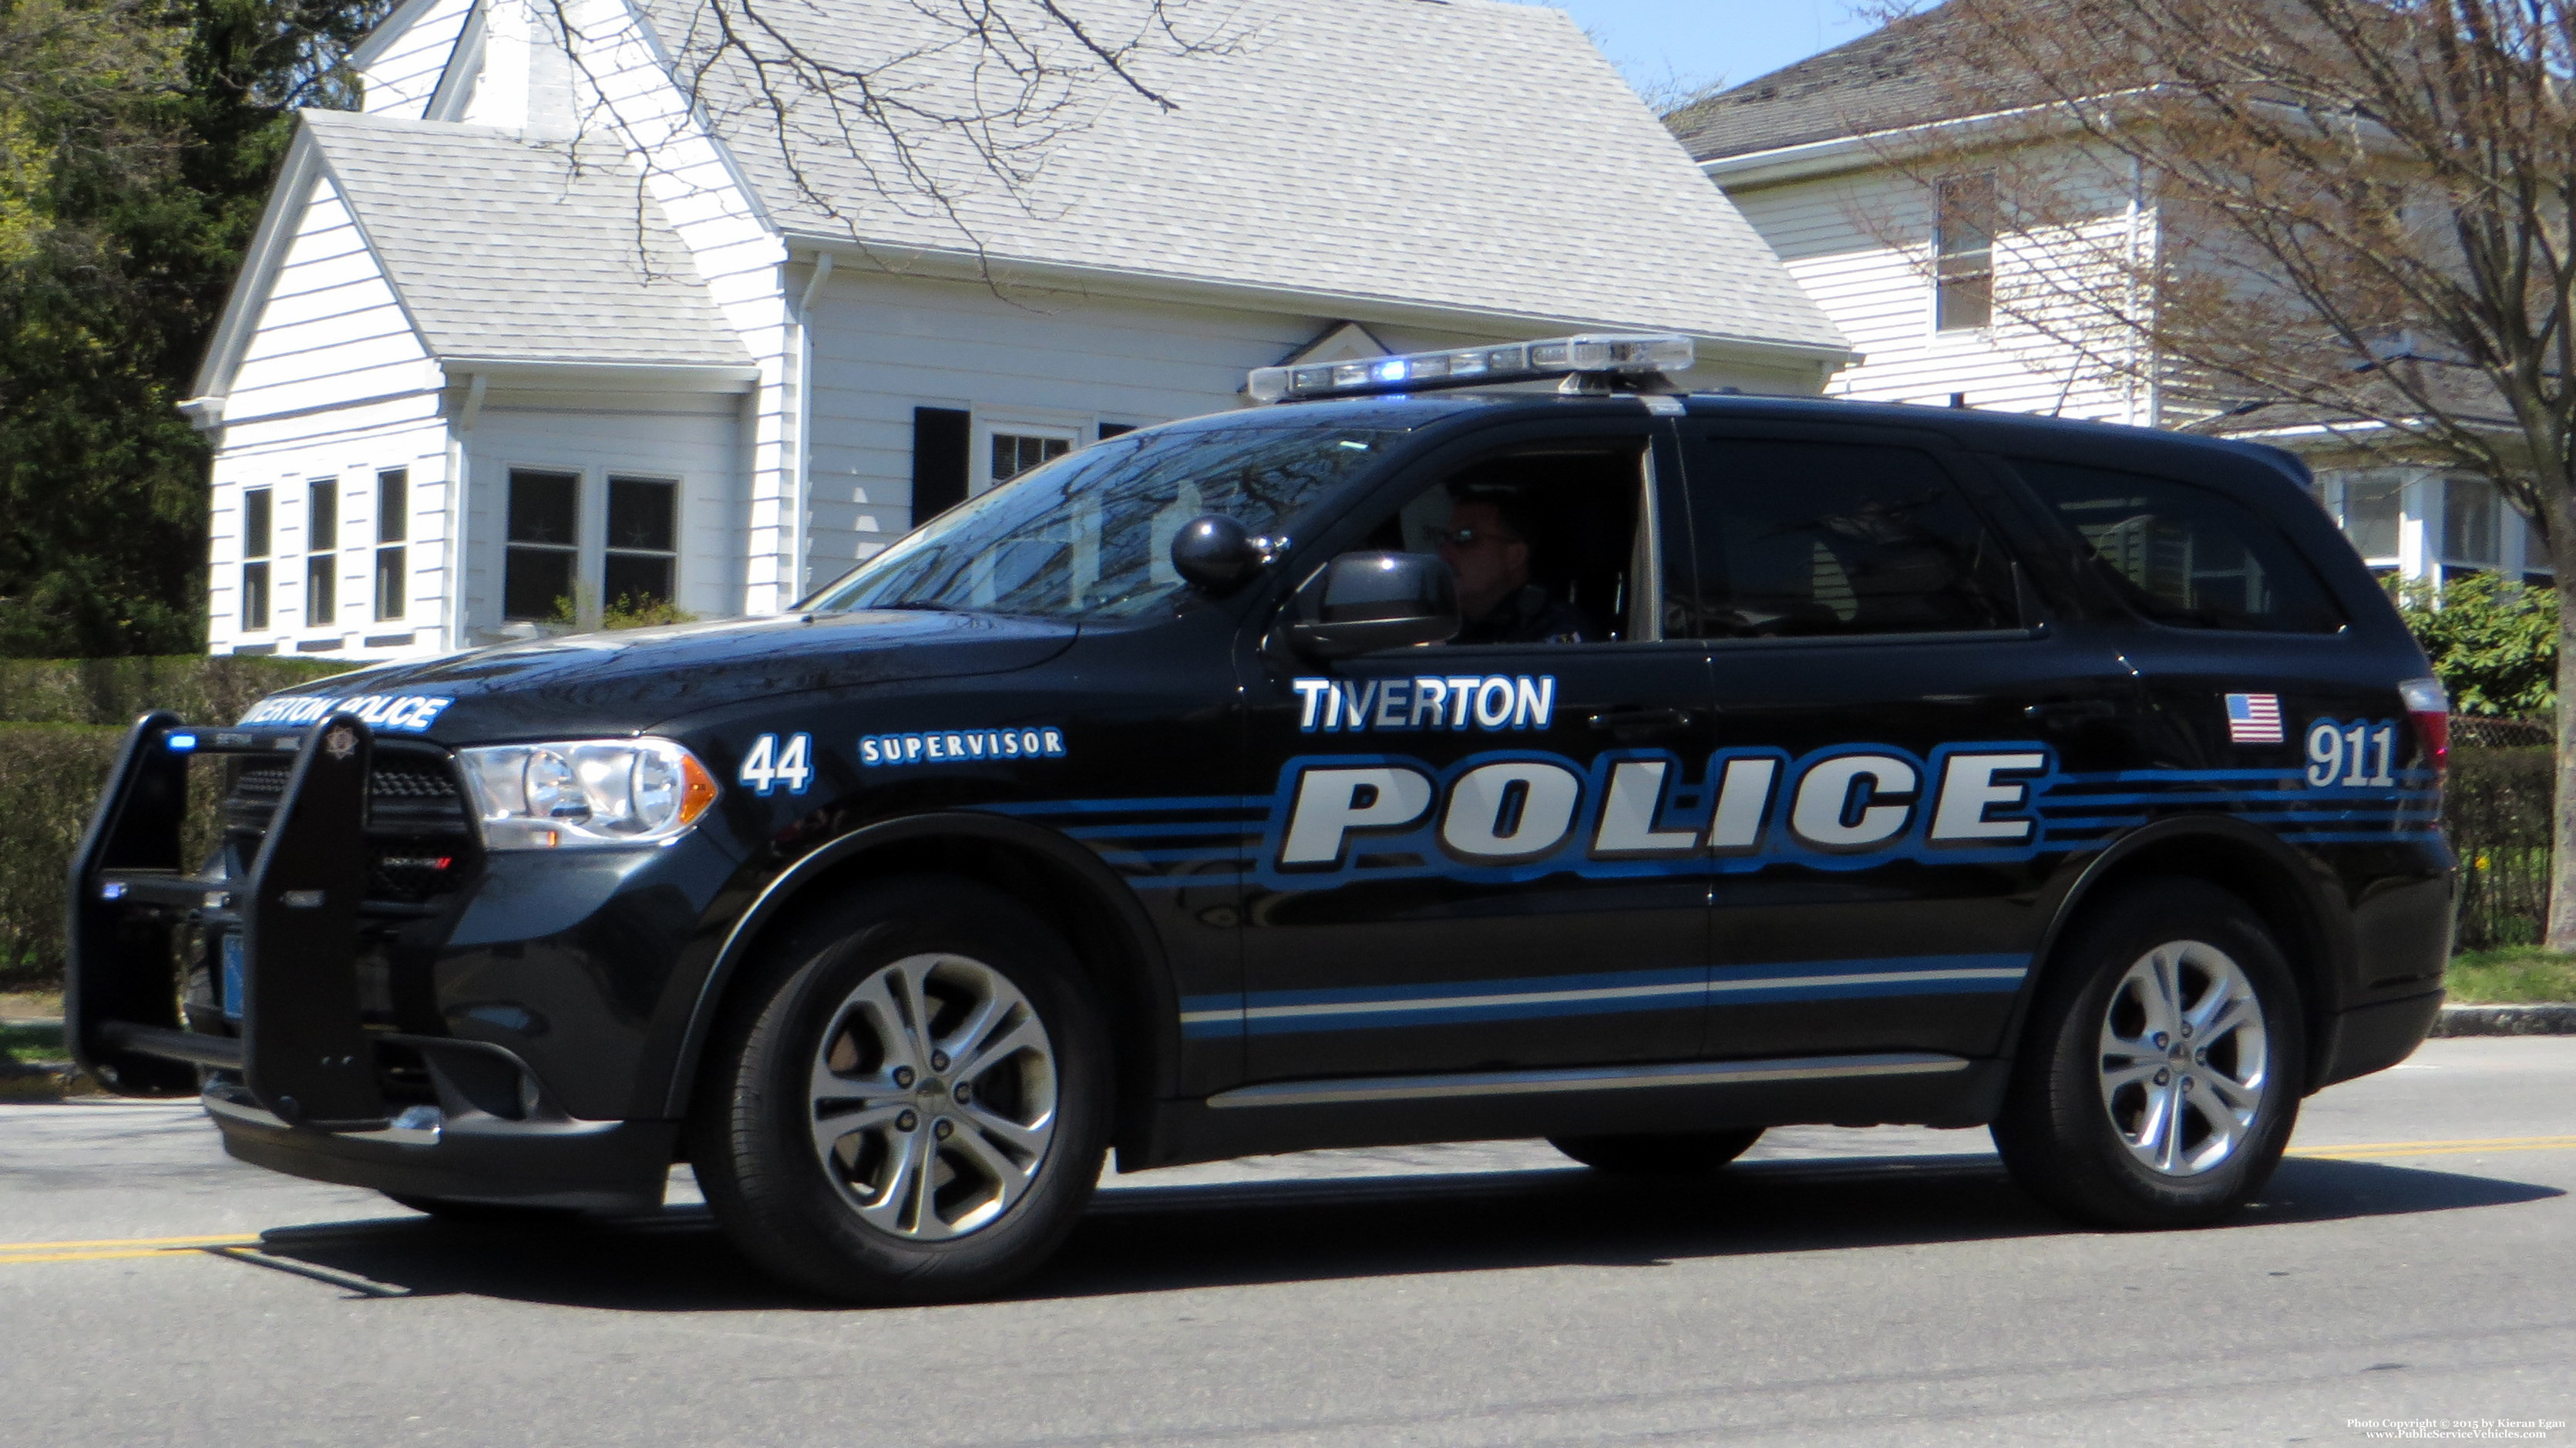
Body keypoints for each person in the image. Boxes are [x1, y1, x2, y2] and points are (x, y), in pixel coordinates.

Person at [1434, 491, 1591, 645]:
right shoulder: (1445, 626)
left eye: (1464, 536)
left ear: (1515, 556)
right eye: (1443, 539)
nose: (1444, 553)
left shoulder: (1554, 627)